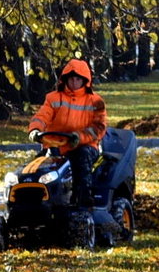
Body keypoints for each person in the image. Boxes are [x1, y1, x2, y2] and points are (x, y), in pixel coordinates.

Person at [27, 59, 107, 207]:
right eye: (71, 79)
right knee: (36, 171)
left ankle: (81, 203)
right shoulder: (53, 98)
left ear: (85, 80)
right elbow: (42, 116)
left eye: (78, 79)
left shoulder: (95, 101)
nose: (74, 82)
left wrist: (79, 137)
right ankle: (35, 203)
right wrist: (35, 129)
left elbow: (99, 128)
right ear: (65, 79)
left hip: (84, 146)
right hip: (55, 146)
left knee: (81, 163)